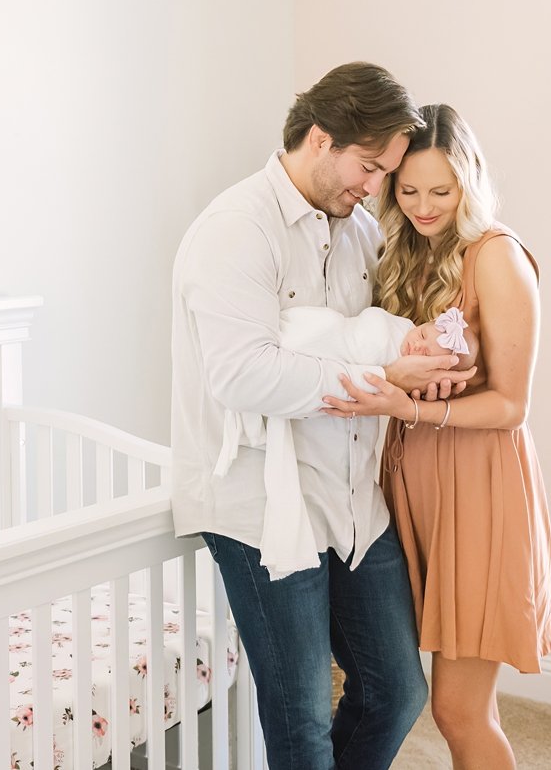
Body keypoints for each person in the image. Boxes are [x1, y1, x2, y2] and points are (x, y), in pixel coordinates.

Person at [170, 64, 475, 770]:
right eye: (369, 166)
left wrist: (419, 352)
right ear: (319, 137)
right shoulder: (236, 229)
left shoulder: (359, 229)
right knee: (301, 719)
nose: (375, 187)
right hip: (260, 504)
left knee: (397, 688)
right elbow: (242, 371)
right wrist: (380, 375)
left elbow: (369, 329)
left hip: (347, 494)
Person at [321, 103, 551, 770]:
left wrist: (411, 407)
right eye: (409, 190)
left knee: (459, 709)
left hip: (478, 489)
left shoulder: (498, 256)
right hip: (412, 487)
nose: (424, 205)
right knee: (402, 685)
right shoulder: (406, 251)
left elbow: (512, 405)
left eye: (441, 190)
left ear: (469, 184)